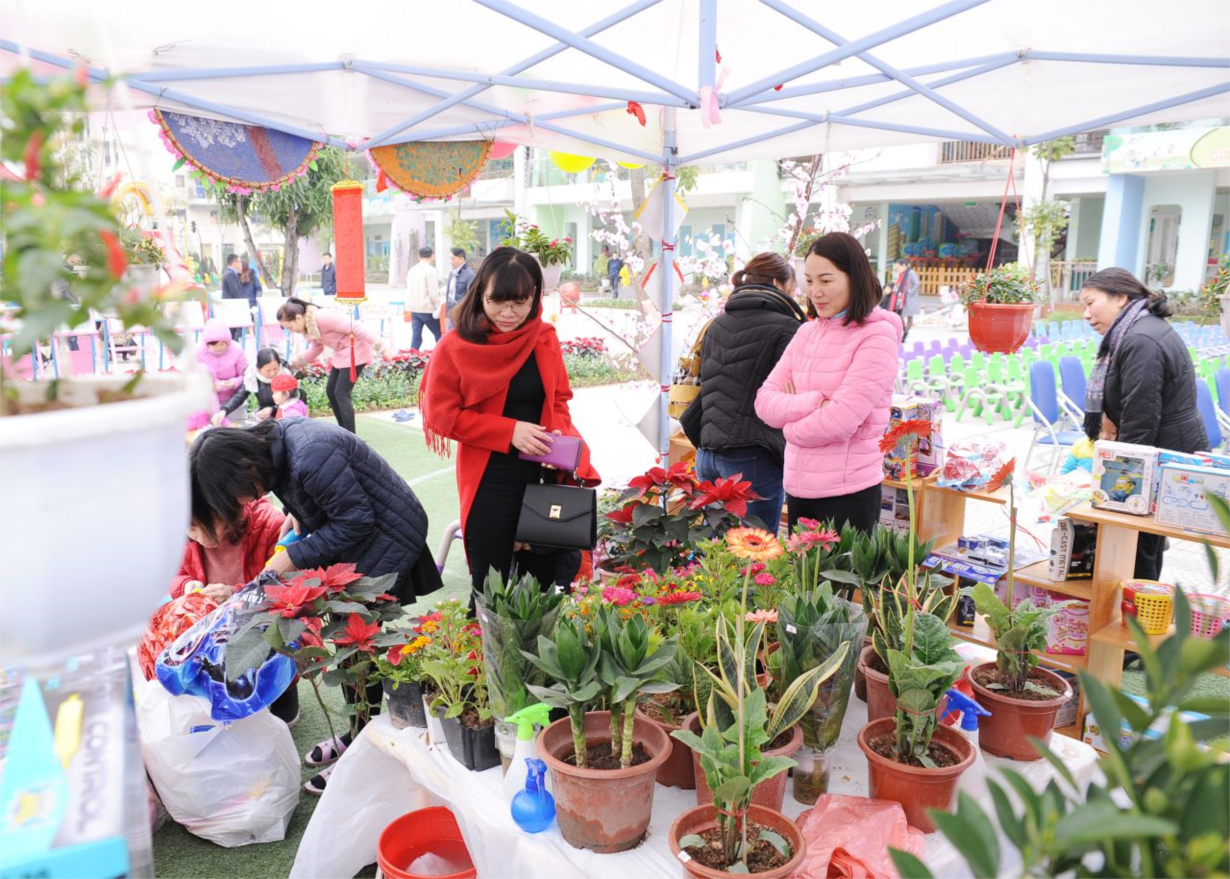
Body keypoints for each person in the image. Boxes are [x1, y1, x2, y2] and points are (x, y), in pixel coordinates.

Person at [189, 418, 443, 792]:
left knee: (357, 643)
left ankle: (364, 749)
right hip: (368, 535)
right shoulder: (278, 451)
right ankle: (359, 733)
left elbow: (356, 520)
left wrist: (293, 555)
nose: (243, 503)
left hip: (386, 536)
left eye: (237, 493)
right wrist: (299, 513)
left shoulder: (308, 454)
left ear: (244, 463)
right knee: (351, 646)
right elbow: (326, 497)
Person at [421, 247, 600, 602]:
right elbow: (441, 416)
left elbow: (559, 401)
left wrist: (561, 439)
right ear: (480, 295)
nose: (508, 313)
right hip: (490, 481)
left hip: (544, 477)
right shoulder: (455, 347)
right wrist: (508, 432)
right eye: (497, 301)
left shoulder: (543, 338)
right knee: (491, 594)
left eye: (520, 302)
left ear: (535, 297)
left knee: (548, 592)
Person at [755, 232, 903, 535]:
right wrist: (813, 402)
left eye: (826, 280)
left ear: (854, 278)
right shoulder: (807, 333)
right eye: (808, 281)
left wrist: (789, 428)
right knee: (803, 580)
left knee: (838, 583)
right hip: (799, 489)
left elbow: (840, 420)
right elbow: (764, 402)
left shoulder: (876, 336)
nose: (815, 292)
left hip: (848, 492)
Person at [1080, 267, 1208, 580]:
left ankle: (1135, 619)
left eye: (1090, 303)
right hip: (1164, 447)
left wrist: (1121, 486)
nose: (1086, 314)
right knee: (1145, 541)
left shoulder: (1141, 339)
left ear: (1120, 297)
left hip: (1161, 452)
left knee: (1138, 541)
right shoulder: (1139, 329)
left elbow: (1141, 418)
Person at [680, 252, 806, 531]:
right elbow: (794, 392)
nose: (796, 292)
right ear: (777, 282)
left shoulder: (717, 323)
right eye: (793, 285)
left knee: (715, 557)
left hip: (707, 452)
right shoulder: (788, 327)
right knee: (756, 555)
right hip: (753, 454)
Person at [166, 497, 299, 727]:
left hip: (261, 626)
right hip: (214, 635)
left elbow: (288, 588)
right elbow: (169, 573)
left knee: (276, 698)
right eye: (189, 529)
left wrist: (234, 593)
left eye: (199, 526)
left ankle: (282, 691)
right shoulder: (185, 538)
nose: (195, 536)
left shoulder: (270, 525)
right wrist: (189, 586)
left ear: (223, 510)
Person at [277, 298, 389, 434]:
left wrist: (382, 347)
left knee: (341, 393)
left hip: (355, 351)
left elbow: (356, 327)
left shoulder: (322, 317)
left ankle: (351, 437)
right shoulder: (309, 327)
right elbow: (316, 349)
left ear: (298, 318)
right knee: (331, 391)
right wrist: (295, 365)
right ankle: (343, 431)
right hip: (341, 353)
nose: (291, 331)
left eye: (290, 327)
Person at [191, 317, 247, 430]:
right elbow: (192, 376)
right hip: (207, 402)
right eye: (214, 344)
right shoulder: (197, 351)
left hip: (232, 401)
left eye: (222, 344)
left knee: (237, 432)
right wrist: (211, 384)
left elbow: (246, 376)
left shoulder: (237, 350)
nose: (218, 348)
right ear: (207, 343)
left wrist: (234, 382)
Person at [213, 347, 289, 425]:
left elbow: (292, 401)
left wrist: (272, 409)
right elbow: (240, 396)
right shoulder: (252, 377)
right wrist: (224, 410)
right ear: (259, 369)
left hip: (286, 416)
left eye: (275, 369)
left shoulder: (286, 375)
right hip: (265, 418)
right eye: (268, 370)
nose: (272, 373)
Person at [406, 246, 442, 350]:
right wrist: (438, 306)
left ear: (418, 256)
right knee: (439, 335)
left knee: (416, 337)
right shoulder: (431, 271)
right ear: (432, 256)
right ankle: (441, 358)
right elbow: (433, 292)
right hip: (428, 309)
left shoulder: (412, 270)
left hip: (414, 309)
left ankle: (411, 359)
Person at [444, 247, 475, 332]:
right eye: (450, 258)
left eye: (453, 258)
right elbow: (448, 295)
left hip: (461, 314)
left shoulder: (470, 275)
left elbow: (470, 297)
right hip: (451, 313)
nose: (450, 261)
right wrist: (446, 315)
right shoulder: (452, 273)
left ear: (462, 259)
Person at [894, 258, 921, 340]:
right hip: (901, 298)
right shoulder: (901, 274)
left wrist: (910, 292)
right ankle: (904, 331)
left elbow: (917, 284)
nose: (897, 269)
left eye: (898, 267)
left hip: (909, 298)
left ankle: (905, 334)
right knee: (899, 315)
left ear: (904, 266)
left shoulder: (911, 273)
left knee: (909, 316)